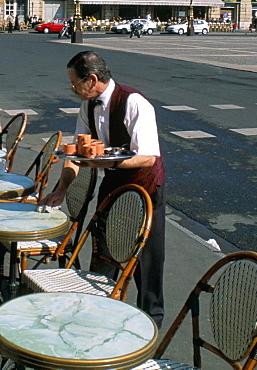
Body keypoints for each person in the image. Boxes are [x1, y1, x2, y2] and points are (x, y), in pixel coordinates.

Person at [42, 51, 166, 326]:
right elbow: (76, 155)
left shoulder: (134, 103)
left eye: (75, 84)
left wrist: (103, 161)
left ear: (92, 79)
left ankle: (151, 324)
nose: (72, 90)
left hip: (145, 188)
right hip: (112, 183)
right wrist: (62, 189)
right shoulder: (87, 106)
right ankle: (99, 313)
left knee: (147, 262)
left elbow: (147, 156)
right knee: (104, 251)